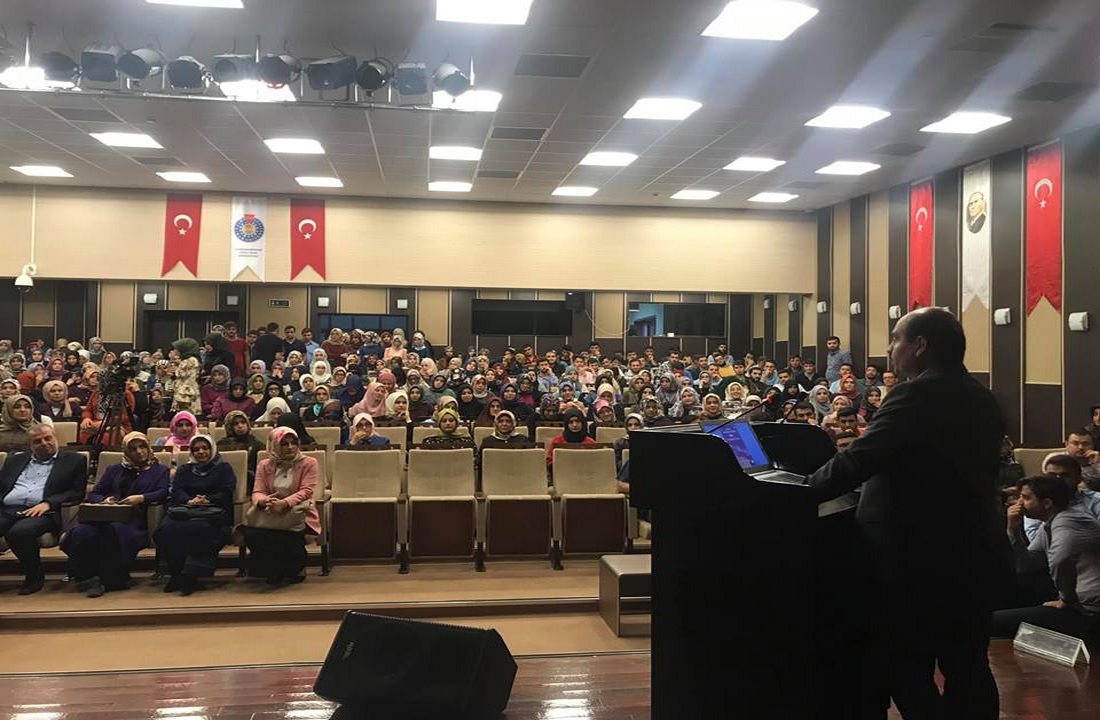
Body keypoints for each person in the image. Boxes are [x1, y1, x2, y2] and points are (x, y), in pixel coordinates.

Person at [808, 307, 1006, 719]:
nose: (890, 348)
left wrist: (800, 490)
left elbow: (859, 459)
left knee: (903, 663)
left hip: (918, 555)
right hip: (972, 548)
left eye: (896, 338)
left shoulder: (917, 394)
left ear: (920, 345)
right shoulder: (980, 395)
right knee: (967, 665)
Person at [61, 432, 169, 597]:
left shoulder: (160, 471)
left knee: (113, 530)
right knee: (81, 531)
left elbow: (163, 493)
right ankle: (89, 576)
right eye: (133, 449)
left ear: (148, 447)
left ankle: (110, 578)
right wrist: (105, 499)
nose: (139, 452)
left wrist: (141, 498)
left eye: (142, 447)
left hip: (133, 518)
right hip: (104, 514)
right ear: (126, 451)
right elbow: (95, 493)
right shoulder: (114, 469)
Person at [993, 474, 1100, 639]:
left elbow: (1061, 561)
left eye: (1025, 498)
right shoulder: (1049, 524)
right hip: (1079, 601)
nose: (1018, 503)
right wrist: (1013, 530)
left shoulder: (1069, 521)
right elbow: (1026, 566)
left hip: (1088, 610)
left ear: (1047, 503)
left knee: (994, 622)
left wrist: (1066, 600)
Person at [0, 424, 87, 594]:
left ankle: (34, 576)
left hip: (44, 512)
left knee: (19, 532)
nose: (44, 443)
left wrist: (48, 503)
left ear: (55, 438)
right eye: (37, 441)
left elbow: (76, 492)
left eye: (48, 438)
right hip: (8, 509)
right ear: (30, 445)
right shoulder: (14, 460)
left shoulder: (74, 460)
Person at [153, 435, 235, 596]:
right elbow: (177, 490)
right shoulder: (185, 469)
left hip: (212, 512)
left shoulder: (223, 468)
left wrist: (207, 499)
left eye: (205, 448)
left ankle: (190, 575)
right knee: (166, 530)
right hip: (185, 510)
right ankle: (176, 574)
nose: (201, 452)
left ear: (212, 449)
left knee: (199, 529)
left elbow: (226, 491)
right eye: (196, 449)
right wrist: (189, 500)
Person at [245, 427, 320, 585]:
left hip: (297, 510)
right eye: (285, 444)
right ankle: (271, 570)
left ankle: (291, 569)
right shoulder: (264, 465)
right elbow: (258, 491)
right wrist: (263, 501)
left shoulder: (309, 463)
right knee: (253, 534)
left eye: (294, 443)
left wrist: (285, 503)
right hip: (269, 510)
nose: (290, 447)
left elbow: (306, 491)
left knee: (286, 534)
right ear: (275, 445)